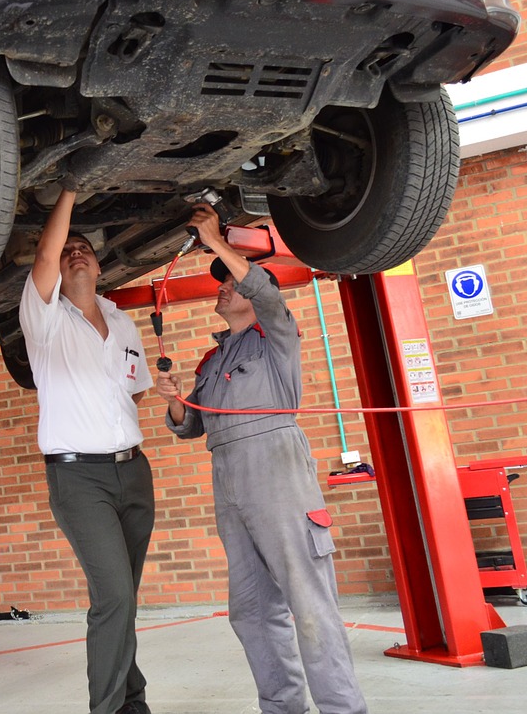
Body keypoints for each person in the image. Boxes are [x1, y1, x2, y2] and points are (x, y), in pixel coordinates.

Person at [156, 202, 368, 714]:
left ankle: (343, 709)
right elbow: (193, 428)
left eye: (228, 279)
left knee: (309, 604)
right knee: (251, 610)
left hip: (277, 471)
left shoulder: (276, 337)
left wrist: (218, 242)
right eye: (220, 279)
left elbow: (267, 295)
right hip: (229, 482)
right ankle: (281, 707)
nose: (221, 286)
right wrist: (174, 400)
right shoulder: (214, 358)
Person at [19, 179, 156, 714]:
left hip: (133, 473)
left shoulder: (123, 322)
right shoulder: (44, 318)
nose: (76, 254)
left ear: (100, 269)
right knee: (114, 598)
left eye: (87, 251)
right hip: (79, 480)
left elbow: (135, 388)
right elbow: (49, 252)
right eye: (69, 250)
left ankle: (133, 702)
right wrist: (72, 189)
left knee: (123, 602)